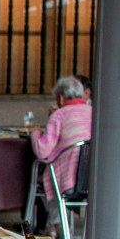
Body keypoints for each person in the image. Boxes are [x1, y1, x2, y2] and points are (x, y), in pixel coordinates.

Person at [30, 74, 93, 215]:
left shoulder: (59, 115)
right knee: (56, 176)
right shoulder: (93, 112)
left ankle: (55, 225)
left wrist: (35, 134)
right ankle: (56, 226)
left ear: (61, 97)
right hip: (91, 178)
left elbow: (42, 151)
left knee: (49, 177)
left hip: (68, 179)